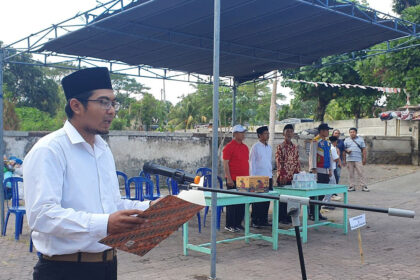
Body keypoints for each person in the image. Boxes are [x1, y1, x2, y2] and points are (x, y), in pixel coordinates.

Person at [23, 67, 155, 280]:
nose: (111, 110)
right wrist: (104, 224)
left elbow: (111, 205)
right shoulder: (49, 150)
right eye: (103, 102)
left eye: (113, 103)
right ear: (76, 105)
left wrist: (150, 208)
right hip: (65, 271)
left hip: (107, 266)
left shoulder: (102, 149)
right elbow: (41, 215)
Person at [222, 124, 249, 232]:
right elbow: (225, 164)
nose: (243, 135)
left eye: (243, 133)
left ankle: (238, 223)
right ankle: (230, 224)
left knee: (241, 202)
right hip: (232, 178)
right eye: (241, 133)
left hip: (244, 179)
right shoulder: (229, 147)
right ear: (235, 134)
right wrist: (228, 178)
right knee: (232, 202)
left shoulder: (245, 147)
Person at [275, 124, 300, 224]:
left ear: (293, 133)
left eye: (291, 131)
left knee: (291, 198)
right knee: (282, 199)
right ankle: (281, 218)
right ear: (283, 133)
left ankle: (288, 217)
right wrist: (282, 175)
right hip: (283, 177)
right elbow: (279, 161)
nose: (289, 133)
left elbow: (297, 161)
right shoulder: (280, 147)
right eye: (287, 131)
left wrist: (298, 175)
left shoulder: (295, 147)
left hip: (292, 177)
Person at [308, 123, 333, 221]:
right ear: (322, 131)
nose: (328, 132)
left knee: (322, 193)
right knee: (315, 193)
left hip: (325, 170)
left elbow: (329, 156)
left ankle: (317, 212)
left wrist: (330, 169)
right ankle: (311, 213)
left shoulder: (327, 142)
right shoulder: (315, 141)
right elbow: (312, 155)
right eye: (327, 130)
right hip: (317, 170)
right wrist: (313, 169)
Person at [249, 126, 273, 228]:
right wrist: (252, 177)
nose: (267, 135)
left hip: (268, 176)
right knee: (257, 200)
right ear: (259, 135)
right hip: (258, 178)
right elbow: (252, 163)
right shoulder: (255, 147)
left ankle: (263, 220)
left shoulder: (269, 147)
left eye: (268, 133)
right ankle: (255, 220)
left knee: (266, 200)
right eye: (265, 133)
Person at [343, 127, 368, 192]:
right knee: (350, 173)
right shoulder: (346, 140)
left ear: (356, 133)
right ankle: (352, 186)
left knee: (361, 172)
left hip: (358, 159)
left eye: (353, 132)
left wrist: (364, 158)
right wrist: (346, 151)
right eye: (350, 132)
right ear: (349, 133)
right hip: (349, 159)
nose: (352, 133)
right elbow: (343, 149)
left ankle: (364, 186)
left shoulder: (361, 140)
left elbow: (364, 149)